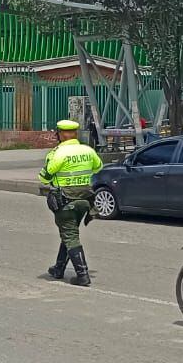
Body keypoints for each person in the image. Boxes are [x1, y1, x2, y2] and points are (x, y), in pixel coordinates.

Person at [39, 118, 102, 286]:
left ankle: (83, 275)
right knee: (69, 233)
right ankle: (58, 268)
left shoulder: (58, 153)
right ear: (75, 134)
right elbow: (98, 167)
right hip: (85, 202)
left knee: (70, 236)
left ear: (60, 135)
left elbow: (45, 177)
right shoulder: (87, 150)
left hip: (65, 201)